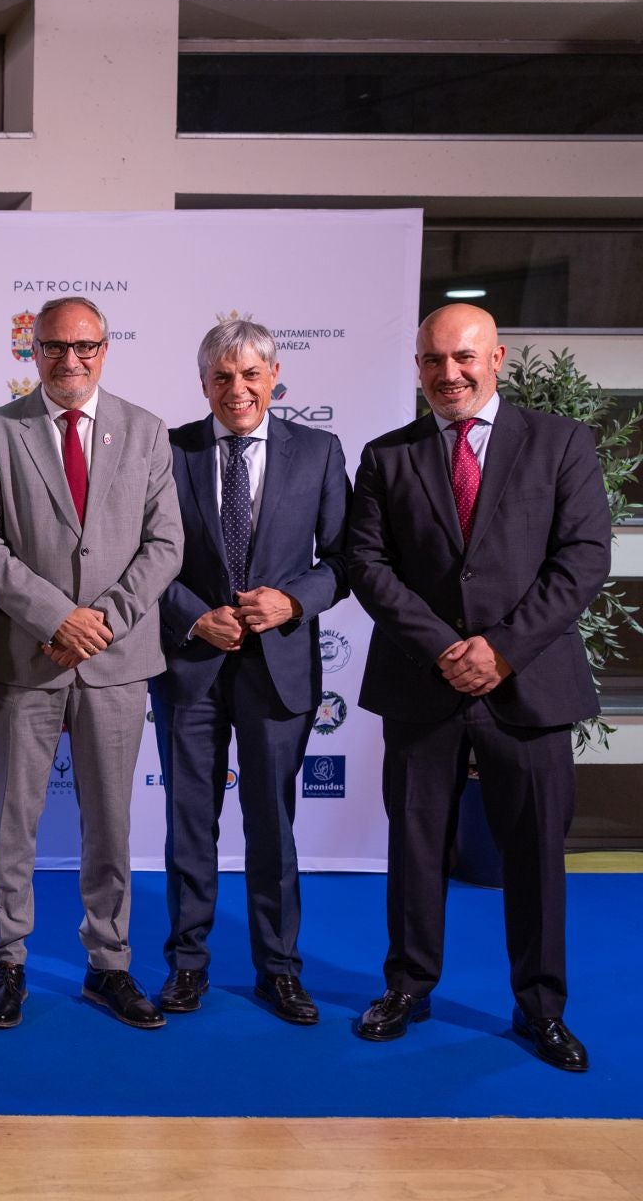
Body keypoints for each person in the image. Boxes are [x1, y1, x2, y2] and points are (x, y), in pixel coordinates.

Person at [346, 303, 609, 1072]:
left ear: (497, 360)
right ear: (418, 367)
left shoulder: (560, 444)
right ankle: (407, 987)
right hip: (422, 685)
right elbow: (367, 564)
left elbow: (583, 558)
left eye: (464, 358)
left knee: (534, 854)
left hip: (528, 688)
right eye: (433, 360)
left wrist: (502, 649)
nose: (448, 373)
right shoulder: (386, 456)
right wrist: (444, 649)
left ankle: (541, 1007)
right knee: (416, 847)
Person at [0, 295, 183, 1030]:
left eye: (84, 346)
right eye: (55, 347)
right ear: (32, 352)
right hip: (27, 658)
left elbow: (165, 546)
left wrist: (101, 624)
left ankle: (109, 964)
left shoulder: (148, 432)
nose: (70, 360)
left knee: (111, 824)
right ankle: (8, 962)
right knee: (13, 824)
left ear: (105, 348)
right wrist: (58, 617)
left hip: (117, 664)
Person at [149, 317, 349, 1025]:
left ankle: (279, 970)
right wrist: (193, 615)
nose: (237, 389)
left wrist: (292, 598)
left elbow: (346, 561)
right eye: (222, 376)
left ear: (273, 377)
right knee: (188, 826)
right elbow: (146, 557)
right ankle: (187, 966)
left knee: (273, 828)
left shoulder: (319, 452)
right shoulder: (168, 452)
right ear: (203, 383)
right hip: (190, 666)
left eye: (250, 375)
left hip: (279, 671)